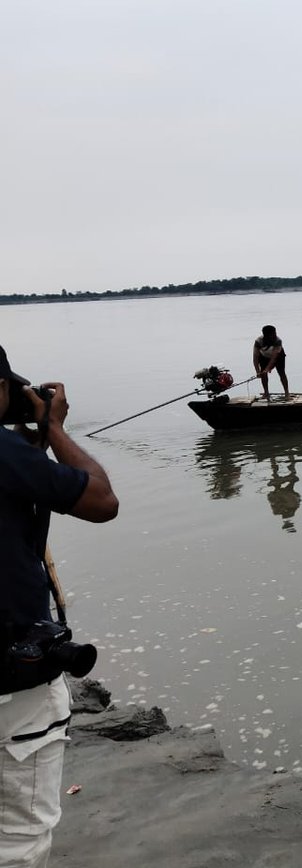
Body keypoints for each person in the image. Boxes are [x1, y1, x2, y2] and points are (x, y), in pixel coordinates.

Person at [0, 344, 119, 867]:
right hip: (12, 683)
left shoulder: (11, 458)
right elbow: (101, 501)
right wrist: (51, 428)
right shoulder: (5, 455)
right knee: (21, 840)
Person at [252, 325, 289, 399]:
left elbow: (274, 358)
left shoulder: (278, 341)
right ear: (266, 335)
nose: (275, 335)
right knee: (263, 374)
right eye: (273, 333)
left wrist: (268, 369)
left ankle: (287, 393)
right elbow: (255, 358)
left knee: (282, 373)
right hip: (264, 356)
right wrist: (258, 371)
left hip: (279, 356)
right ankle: (266, 393)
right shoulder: (258, 341)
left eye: (275, 333)